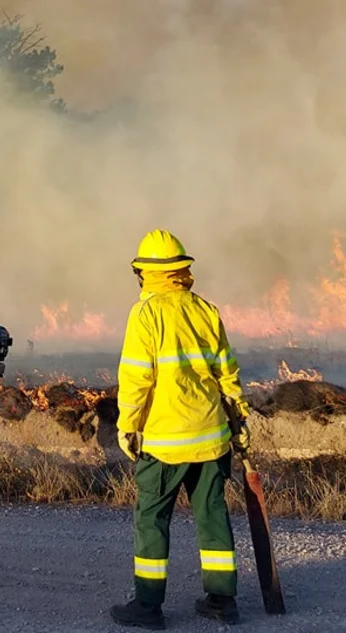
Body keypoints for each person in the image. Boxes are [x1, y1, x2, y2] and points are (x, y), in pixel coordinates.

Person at [109, 229, 253, 630]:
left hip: (165, 442)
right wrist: (240, 418)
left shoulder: (145, 314)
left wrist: (127, 426)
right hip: (212, 437)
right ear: (182, 270)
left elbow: (137, 379)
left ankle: (148, 606)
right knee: (212, 515)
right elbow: (227, 372)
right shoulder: (206, 310)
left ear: (145, 273)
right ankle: (222, 602)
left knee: (152, 520)